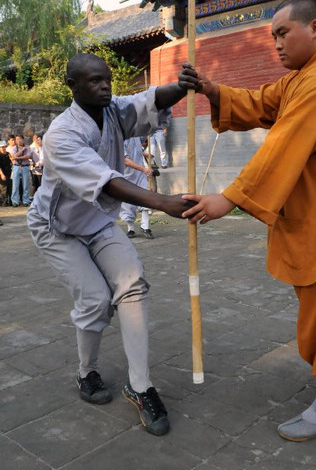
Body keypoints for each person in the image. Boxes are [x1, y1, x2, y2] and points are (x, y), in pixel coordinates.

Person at [181, 0, 316, 442]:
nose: (275, 44)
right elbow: (261, 103)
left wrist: (228, 198)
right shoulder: (302, 80)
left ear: (315, 28)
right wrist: (215, 91)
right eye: (272, 36)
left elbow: (282, 144)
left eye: (282, 33)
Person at [27, 53, 196, 437]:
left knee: (133, 282)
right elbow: (106, 182)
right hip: (57, 228)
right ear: (73, 86)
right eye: (93, 81)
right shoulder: (62, 134)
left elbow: (151, 100)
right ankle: (86, 373)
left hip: (98, 221)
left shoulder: (114, 109)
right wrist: (163, 202)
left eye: (107, 79)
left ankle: (140, 386)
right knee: (94, 299)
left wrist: (182, 87)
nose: (104, 86)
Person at [120, 137, 155, 239]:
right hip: (125, 175)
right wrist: (144, 169)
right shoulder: (120, 139)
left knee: (146, 197)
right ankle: (130, 229)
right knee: (127, 203)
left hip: (140, 174)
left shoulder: (136, 136)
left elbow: (143, 143)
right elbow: (126, 160)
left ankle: (145, 226)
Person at [9, 134, 32, 206]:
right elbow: (13, 156)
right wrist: (21, 151)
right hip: (16, 166)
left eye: (20, 139)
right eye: (17, 139)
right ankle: (15, 201)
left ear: (23, 139)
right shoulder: (13, 148)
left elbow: (27, 156)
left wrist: (18, 157)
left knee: (26, 185)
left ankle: (25, 200)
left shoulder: (27, 147)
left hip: (25, 167)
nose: (18, 141)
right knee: (15, 185)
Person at [0, 139, 12, 206]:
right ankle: (3, 202)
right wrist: (2, 174)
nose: (3, 148)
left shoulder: (8, 154)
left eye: (4, 147)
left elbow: (12, 161)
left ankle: (9, 201)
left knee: (10, 188)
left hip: (9, 173)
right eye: (2, 147)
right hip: (2, 174)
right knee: (3, 188)